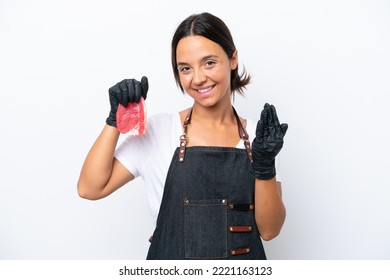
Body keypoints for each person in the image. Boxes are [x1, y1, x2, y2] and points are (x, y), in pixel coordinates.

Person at [77, 12, 288, 260]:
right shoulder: (160, 131)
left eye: (209, 62)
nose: (198, 78)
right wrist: (115, 120)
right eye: (185, 68)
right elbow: (89, 188)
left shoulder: (258, 137)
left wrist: (264, 165)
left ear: (233, 59)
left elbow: (270, 230)